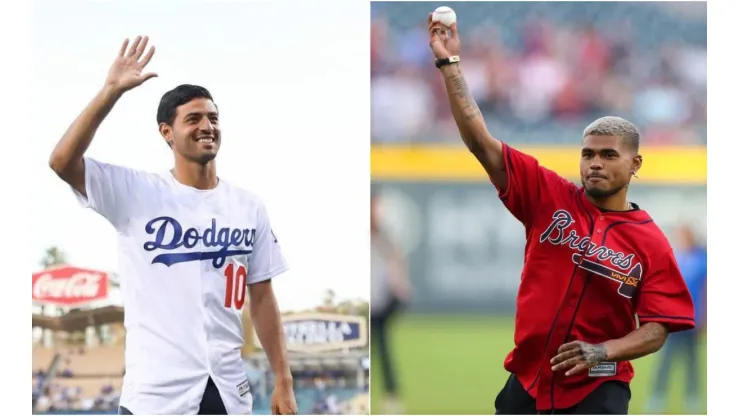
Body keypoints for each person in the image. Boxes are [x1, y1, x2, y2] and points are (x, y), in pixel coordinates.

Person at [427, 16, 696, 415]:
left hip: (599, 385)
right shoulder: (548, 196)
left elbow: (657, 328)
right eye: (588, 154)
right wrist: (450, 65)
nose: (595, 164)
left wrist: (605, 350)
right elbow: (479, 141)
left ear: (635, 163)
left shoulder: (650, 241)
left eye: (609, 155)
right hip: (528, 381)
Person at [48, 36, 298, 415]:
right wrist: (110, 91)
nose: (207, 126)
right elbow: (62, 161)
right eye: (193, 118)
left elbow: (261, 297)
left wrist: (284, 379)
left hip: (227, 391)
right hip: (156, 395)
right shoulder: (135, 192)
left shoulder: (248, 206)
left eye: (213, 118)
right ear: (167, 131)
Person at [646, 224, 707, 413]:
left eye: (684, 234)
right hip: (671, 321)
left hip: (692, 322)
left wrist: (705, 319)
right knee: (665, 362)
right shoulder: (673, 258)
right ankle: (657, 399)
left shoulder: (703, 260)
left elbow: (707, 292)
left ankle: (692, 400)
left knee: (691, 363)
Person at [370, 192, 411, 414]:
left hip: (380, 301)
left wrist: (400, 286)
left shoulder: (383, 237)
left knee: (383, 348)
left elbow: (396, 264)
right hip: (363, 304)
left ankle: (391, 396)